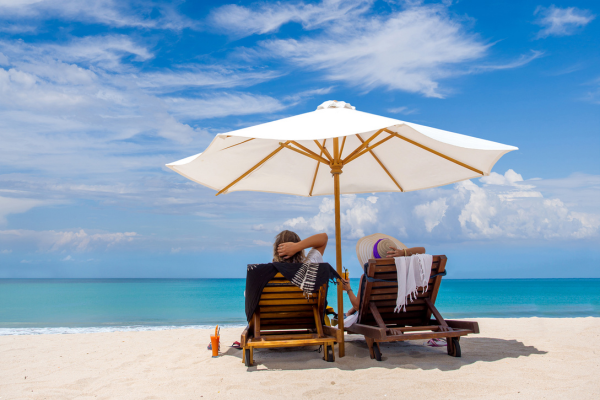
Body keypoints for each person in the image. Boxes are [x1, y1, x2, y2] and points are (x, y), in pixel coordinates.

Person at [341, 233, 425, 318]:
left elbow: (357, 306)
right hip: (401, 316)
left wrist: (348, 288)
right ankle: (349, 313)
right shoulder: (403, 274)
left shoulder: (369, 277)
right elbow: (423, 250)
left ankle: (348, 314)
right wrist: (403, 252)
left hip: (374, 318)